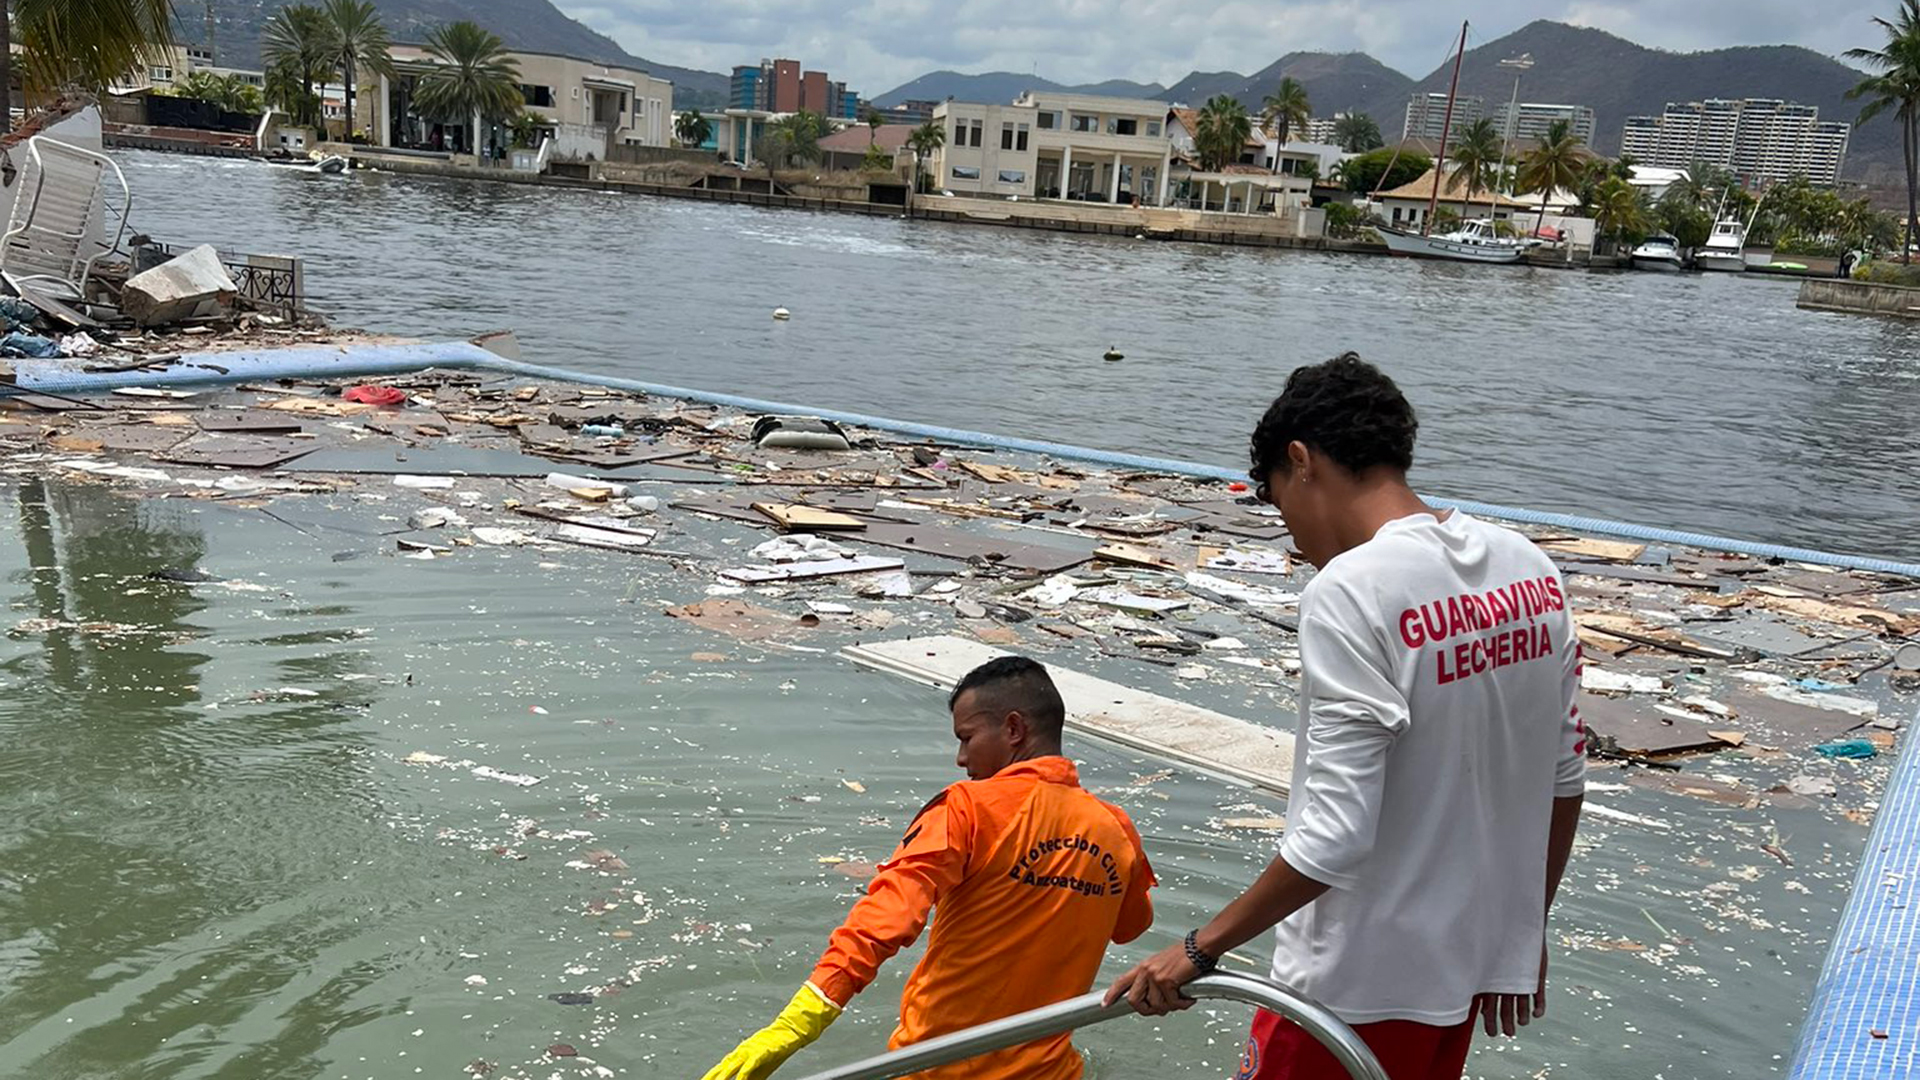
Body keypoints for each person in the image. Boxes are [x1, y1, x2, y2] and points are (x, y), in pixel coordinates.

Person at [1105, 353, 1585, 1080]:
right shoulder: (1530, 570)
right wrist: (1522, 934)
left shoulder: (1349, 591)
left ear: (1301, 462)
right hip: (1460, 981)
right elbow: (1563, 778)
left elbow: (1335, 836)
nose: (1293, 537)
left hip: (1348, 993)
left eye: (1278, 501)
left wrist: (1200, 948)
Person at [702, 656, 1156, 1080]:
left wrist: (794, 1027)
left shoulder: (968, 809)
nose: (961, 759)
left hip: (938, 1067)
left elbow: (882, 922)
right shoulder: (1116, 829)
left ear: (1014, 729)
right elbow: (1131, 926)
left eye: (967, 738)